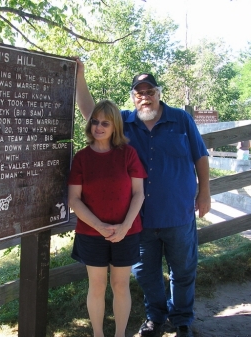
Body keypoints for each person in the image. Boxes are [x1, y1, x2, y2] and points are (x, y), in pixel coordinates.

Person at [74, 59, 211, 337]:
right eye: (139, 92)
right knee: (146, 274)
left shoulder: (181, 120)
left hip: (178, 212)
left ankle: (182, 320)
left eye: (149, 92)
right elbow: (92, 114)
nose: (144, 97)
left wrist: (205, 191)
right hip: (139, 218)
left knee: (183, 270)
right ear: (133, 96)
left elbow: (200, 155)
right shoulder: (124, 122)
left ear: (159, 93)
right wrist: (80, 77)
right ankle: (155, 318)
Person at [68, 99, 147, 337]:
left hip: (127, 232)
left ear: (115, 127)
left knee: (121, 285)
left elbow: (139, 193)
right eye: (95, 122)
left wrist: (124, 226)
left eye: (105, 123)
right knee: (98, 285)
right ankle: (98, 334)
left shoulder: (128, 154)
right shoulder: (81, 158)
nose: (98, 127)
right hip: (91, 233)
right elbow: (74, 199)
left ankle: (120, 334)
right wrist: (100, 226)